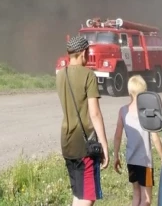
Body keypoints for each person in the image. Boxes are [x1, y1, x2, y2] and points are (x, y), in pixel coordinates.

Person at [56, 35, 109, 205]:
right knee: (88, 196)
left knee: (79, 193)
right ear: (83, 53)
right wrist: (104, 146)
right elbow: (95, 114)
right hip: (84, 145)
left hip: (67, 142)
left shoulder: (60, 75)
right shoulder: (88, 75)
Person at [113, 75, 162, 206]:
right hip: (145, 162)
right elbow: (154, 137)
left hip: (131, 161)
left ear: (129, 91)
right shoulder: (147, 112)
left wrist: (116, 155)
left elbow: (117, 136)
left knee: (136, 195)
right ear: (144, 91)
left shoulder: (123, 111)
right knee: (146, 199)